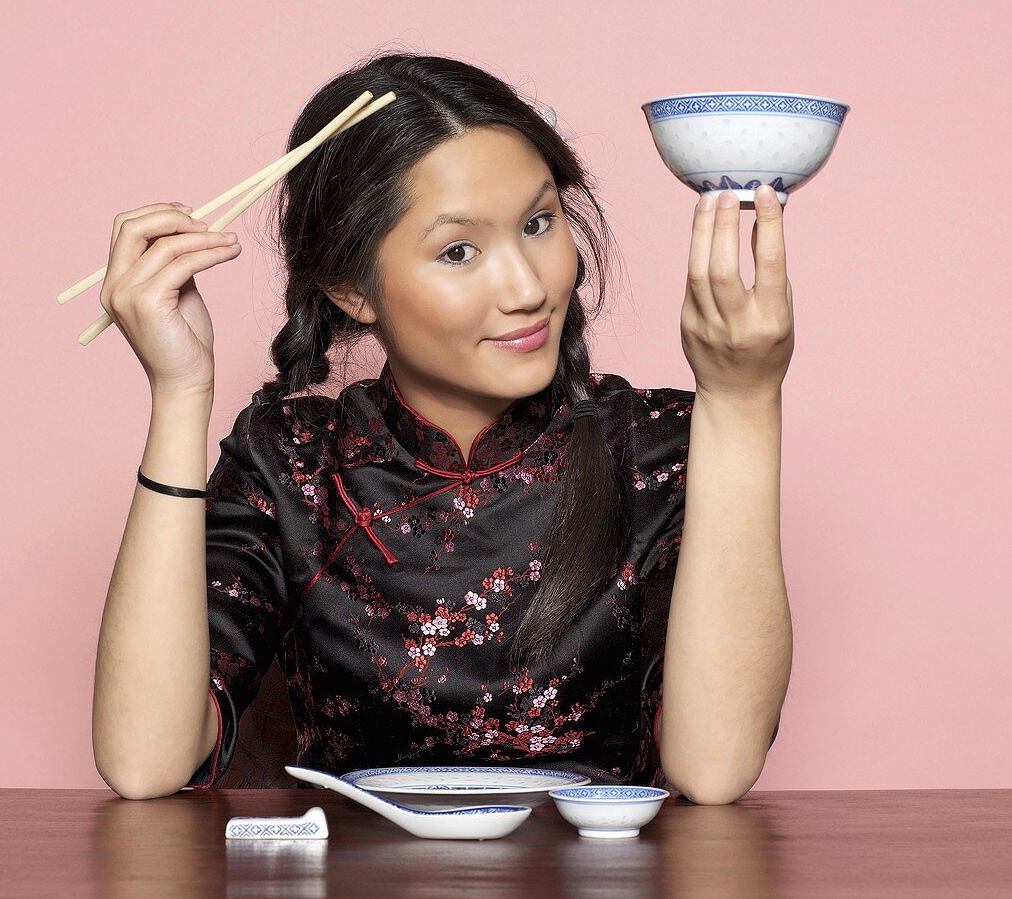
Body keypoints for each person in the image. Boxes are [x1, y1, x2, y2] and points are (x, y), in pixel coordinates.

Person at [92, 50, 778, 801]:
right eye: (459, 250)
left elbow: (715, 770)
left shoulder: (654, 448)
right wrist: (180, 389)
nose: (528, 286)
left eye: (538, 223)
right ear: (351, 288)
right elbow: (145, 762)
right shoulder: (293, 465)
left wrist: (743, 404)